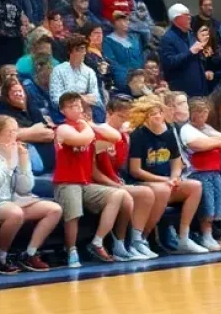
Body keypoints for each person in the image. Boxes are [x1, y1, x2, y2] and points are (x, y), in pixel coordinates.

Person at [0, 115, 62, 274]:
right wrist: (7, 162)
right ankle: (1, 258)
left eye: (16, 131)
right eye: (10, 132)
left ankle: (29, 254)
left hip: (13, 201)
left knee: (54, 209)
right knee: (15, 213)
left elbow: (24, 188)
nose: (14, 135)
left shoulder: (16, 150)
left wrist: (23, 160)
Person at [53, 92, 129, 268]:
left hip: (84, 182)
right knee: (73, 215)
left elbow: (115, 137)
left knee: (117, 195)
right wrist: (88, 127)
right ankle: (71, 250)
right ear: (63, 110)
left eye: (79, 106)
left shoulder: (87, 128)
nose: (77, 109)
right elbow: (81, 139)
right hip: (67, 182)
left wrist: (92, 124)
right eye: (72, 106)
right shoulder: (62, 129)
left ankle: (97, 241)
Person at [127, 95, 206, 254]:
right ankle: (142, 238)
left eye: (159, 112)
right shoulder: (138, 135)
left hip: (166, 182)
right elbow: (135, 170)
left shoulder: (169, 132)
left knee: (195, 186)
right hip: (143, 182)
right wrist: (165, 179)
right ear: (144, 116)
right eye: (151, 114)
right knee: (163, 189)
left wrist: (175, 177)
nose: (157, 116)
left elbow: (176, 161)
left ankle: (183, 237)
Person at [92, 95, 161, 261]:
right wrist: (113, 183)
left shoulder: (123, 136)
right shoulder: (99, 134)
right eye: (120, 116)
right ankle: (120, 244)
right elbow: (93, 171)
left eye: (127, 117)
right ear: (109, 113)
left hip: (113, 180)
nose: (124, 120)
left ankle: (135, 241)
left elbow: (121, 167)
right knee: (139, 194)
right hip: (96, 182)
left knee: (146, 193)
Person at [181, 96, 221, 251]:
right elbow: (198, 145)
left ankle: (213, 234)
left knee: (219, 204)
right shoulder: (187, 129)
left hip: (214, 170)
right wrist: (218, 142)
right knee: (208, 205)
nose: (203, 115)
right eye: (199, 112)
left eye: (205, 112)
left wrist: (213, 142)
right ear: (192, 113)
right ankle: (204, 235)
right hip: (198, 172)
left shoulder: (207, 128)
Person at [160, 3, 208, 97]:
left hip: (200, 86)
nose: (190, 17)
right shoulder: (167, 38)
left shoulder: (190, 34)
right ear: (177, 19)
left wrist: (201, 48)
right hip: (183, 90)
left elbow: (195, 56)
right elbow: (169, 62)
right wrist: (190, 52)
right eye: (186, 15)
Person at [49, 35, 101, 119]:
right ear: (70, 51)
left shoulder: (90, 72)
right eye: (77, 49)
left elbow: (96, 98)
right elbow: (55, 99)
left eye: (83, 49)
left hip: (86, 112)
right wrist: (78, 99)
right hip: (64, 114)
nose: (81, 53)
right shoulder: (58, 70)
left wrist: (83, 101)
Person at [102, 11, 143, 91]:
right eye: (122, 21)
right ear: (115, 23)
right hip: (123, 80)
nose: (126, 23)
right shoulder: (108, 41)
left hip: (140, 78)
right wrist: (130, 78)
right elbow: (112, 63)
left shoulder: (135, 38)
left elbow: (140, 58)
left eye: (127, 20)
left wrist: (141, 75)